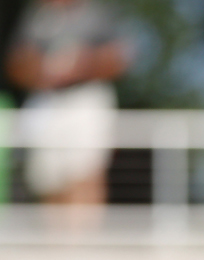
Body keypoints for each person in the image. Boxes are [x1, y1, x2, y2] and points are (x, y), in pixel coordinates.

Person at [7, 0, 128, 205]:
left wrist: (82, 64)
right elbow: (15, 63)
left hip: (85, 100)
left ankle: (83, 237)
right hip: (46, 102)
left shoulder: (97, 13)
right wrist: (41, 70)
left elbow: (119, 58)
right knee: (48, 181)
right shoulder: (37, 15)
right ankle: (54, 238)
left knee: (85, 175)